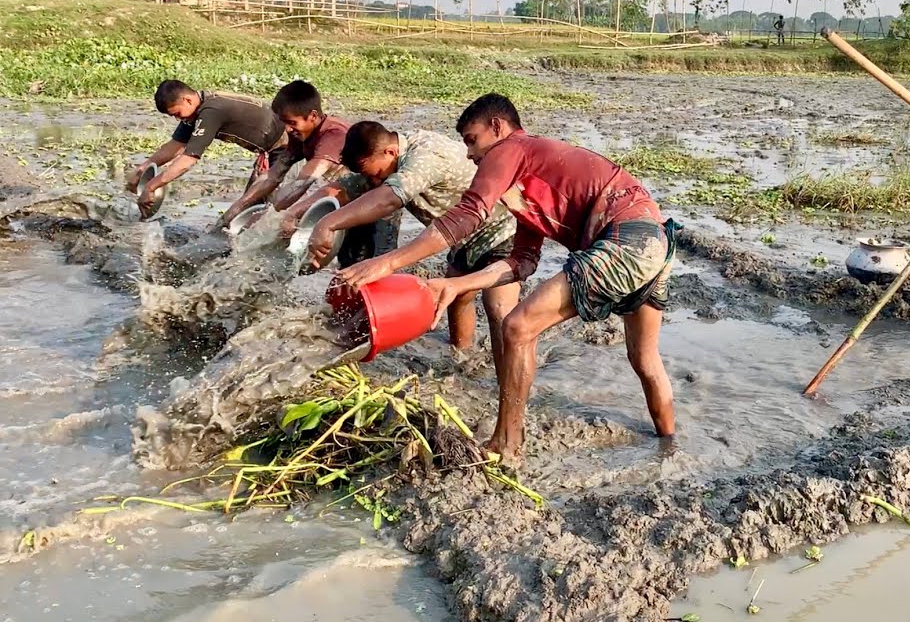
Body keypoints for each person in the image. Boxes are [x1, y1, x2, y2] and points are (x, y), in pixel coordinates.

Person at [335, 94, 679, 463]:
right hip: (652, 241)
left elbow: (466, 215)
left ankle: (506, 443)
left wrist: (388, 263)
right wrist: (455, 285)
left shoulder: (512, 146)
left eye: (472, 140)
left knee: (516, 327)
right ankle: (670, 446)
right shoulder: (527, 182)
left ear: (497, 128)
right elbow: (521, 263)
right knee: (644, 358)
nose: (469, 154)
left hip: (626, 238)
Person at [297, 121, 520, 357]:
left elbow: (388, 200)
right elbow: (342, 189)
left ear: (390, 152)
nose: (374, 182)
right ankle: (463, 358)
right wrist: (294, 213)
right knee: (456, 297)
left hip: (501, 226)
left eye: (376, 175)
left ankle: (506, 381)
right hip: (462, 234)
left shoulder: (425, 155)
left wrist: (328, 223)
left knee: (499, 310)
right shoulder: (384, 162)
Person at [129, 80, 287, 216]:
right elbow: (175, 146)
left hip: (288, 148)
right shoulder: (197, 110)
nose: (178, 119)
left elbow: (188, 159)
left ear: (187, 100)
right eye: (174, 116)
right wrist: (143, 168)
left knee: (273, 211)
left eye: (177, 113)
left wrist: (151, 186)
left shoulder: (212, 111)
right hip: (270, 151)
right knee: (246, 212)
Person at [216, 80, 352, 231]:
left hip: (365, 196)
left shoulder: (334, 135)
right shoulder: (301, 134)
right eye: (284, 123)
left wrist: (268, 215)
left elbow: (302, 182)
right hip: (341, 194)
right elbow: (273, 175)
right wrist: (235, 210)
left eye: (292, 122)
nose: (287, 129)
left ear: (312, 116)